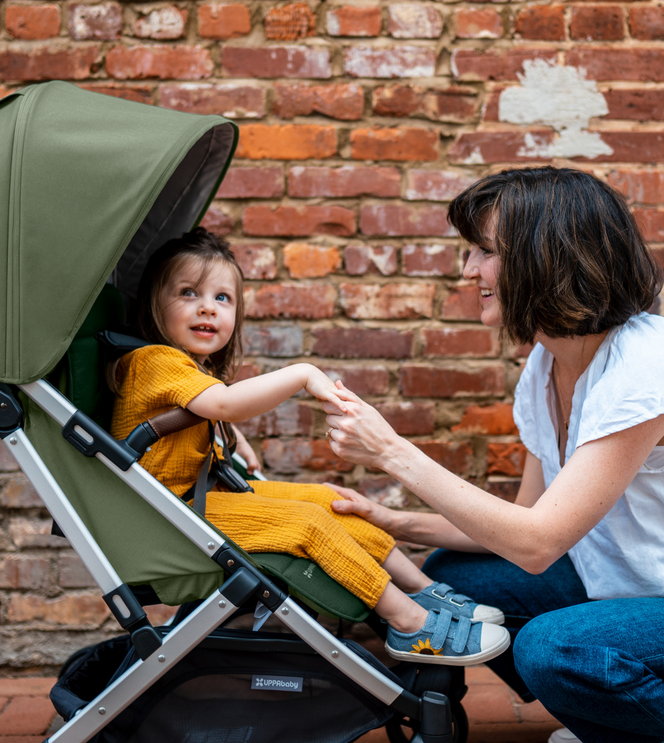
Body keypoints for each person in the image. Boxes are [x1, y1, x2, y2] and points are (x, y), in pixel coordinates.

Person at [323, 166, 664, 743]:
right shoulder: (547, 369)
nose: (468, 270)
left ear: (546, 257)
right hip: (641, 597)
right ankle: (622, 713)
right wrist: (391, 520)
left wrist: (393, 451)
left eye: (484, 251)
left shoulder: (647, 366)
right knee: (458, 579)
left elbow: (539, 542)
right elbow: (520, 526)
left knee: (553, 649)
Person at [110, 228, 510, 666]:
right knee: (305, 523)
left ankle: (422, 590)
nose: (207, 306)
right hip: (168, 517)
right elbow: (221, 402)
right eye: (188, 293)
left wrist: (231, 437)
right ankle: (410, 624)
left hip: (198, 501)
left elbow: (200, 410)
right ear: (155, 302)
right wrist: (303, 373)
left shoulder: (183, 367)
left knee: (330, 499)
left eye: (222, 298)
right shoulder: (154, 360)